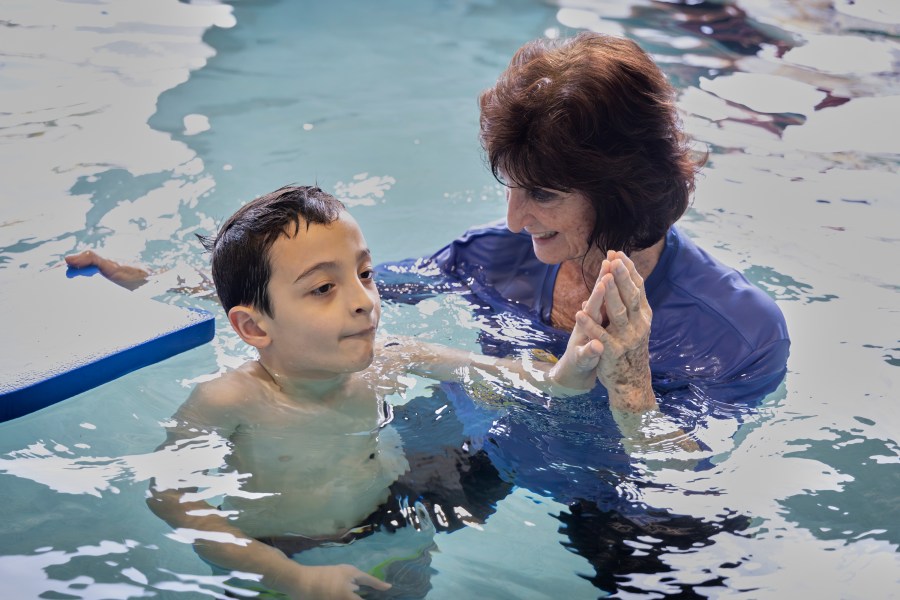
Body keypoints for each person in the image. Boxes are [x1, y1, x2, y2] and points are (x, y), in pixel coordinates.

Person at [142, 184, 609, 600]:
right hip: (282, 563)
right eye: (324, 287)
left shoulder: (389, 356)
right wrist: (291, 578)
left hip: (392, 530)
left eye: (364, 274)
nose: (364, 300)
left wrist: (562, 376)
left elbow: (491, 372)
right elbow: (168, 495)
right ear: (253, 326)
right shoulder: (230, 399)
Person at [411, 31, 790, 409]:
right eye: (510, 187)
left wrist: (632, 387)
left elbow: (686, 466)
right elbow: (365, 314)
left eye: (543, 194)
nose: (514, 222)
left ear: (622, 192)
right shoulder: (488, 258)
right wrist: (539, 376)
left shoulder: (738, 334)